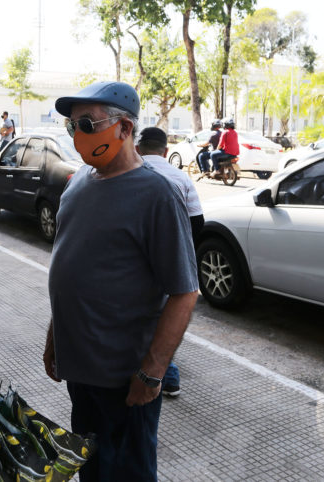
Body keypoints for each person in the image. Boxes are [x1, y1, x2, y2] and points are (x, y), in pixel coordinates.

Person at [44, 81, 199, 481]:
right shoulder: (78, 183)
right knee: (91, 470)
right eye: (72, 126)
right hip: (81, 372)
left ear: (125, 129)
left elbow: (184, 292)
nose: (78, 135)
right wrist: (54, 338)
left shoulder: (157, 195)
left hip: (126, 382)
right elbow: (70, 271)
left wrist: (152, 373)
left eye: (87, 124)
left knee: (127, 474)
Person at [136, 126, 203, 398]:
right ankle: (168, 377)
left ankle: (161, 373)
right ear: (165, 151)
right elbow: (197, 222)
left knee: (146, 319)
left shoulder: (130, 174)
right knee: (165, 317)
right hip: (170, 261)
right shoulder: (180, 178)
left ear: (138, 148)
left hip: (137, 262)